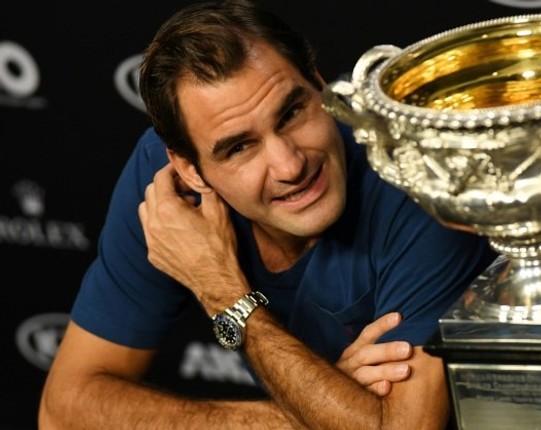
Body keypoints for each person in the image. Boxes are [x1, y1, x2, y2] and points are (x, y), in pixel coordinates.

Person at [38, 1, 497, 429]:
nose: (290, 166)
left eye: (292, 113)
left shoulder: (410, 173)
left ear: (319, 85)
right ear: (190, 168)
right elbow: (63, 409)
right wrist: (318, 409)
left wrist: (224, 293)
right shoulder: (166, 191)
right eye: (239, 147)